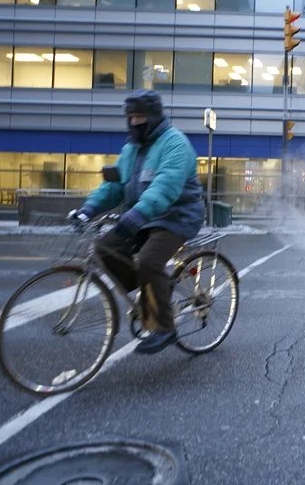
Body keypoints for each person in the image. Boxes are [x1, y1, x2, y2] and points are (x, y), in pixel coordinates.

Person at [69, 90, 204, 354]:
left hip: (177, 216)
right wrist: (89, 208)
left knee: (149, 261)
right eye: (131, 117)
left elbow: (165, 186)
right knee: (104, 248)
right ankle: (152, 295)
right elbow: (114, 186)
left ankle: (165, 327)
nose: (134, 122)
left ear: (154, 116)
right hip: (143, 216)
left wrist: (138, 214)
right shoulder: (131, 149)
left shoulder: (175, 143)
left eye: (140, 116)